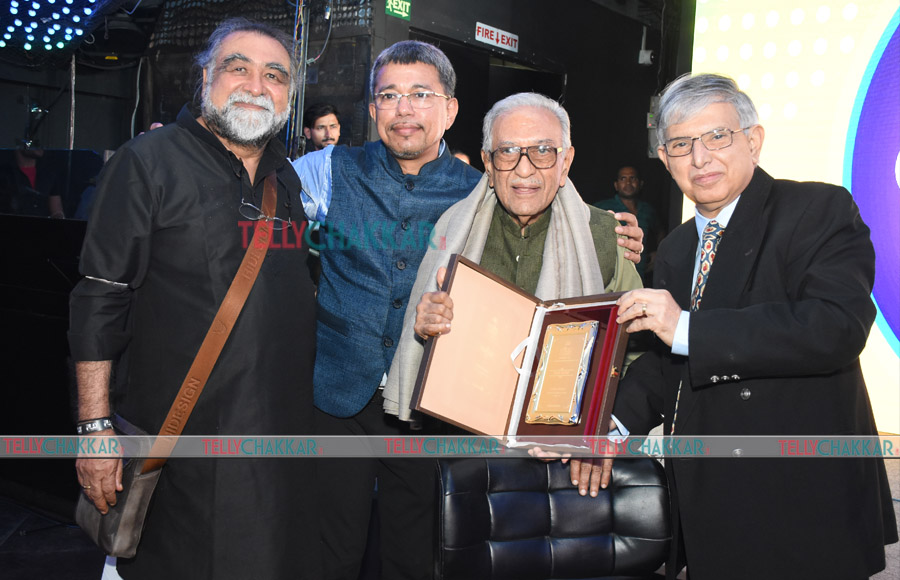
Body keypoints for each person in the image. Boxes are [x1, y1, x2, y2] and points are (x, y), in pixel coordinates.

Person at [292, 42, 646, 580]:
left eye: (420, 94)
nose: (404, 109)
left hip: (428, 407)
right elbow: (257, 204)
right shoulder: (328, 171)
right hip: (339, 391)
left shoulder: (482, 193)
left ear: (451, 110)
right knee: (326, 552)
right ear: (371, 108)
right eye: (389, 95)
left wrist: (615, 241)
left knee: (414, 554)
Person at [588, 73, 897, 580]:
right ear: (665, 160)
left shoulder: (817, 209)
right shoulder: (678, 247)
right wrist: (607, 425)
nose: (701, 158)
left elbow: (835, 326)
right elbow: (668, 364)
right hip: (709, 498)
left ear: (753, 140)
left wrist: (688, 328)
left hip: (801, 498)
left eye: (718, 136)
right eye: (682, 144)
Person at [69, 18, 319, 580]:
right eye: (239, 67)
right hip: (178, 452)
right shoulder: (148, 162)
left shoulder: (289, 182)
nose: (257, 85)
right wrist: (93, 430)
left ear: (289, 96)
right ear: (205, 76)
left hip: (279, 454)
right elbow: (98, 302)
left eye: (275, 75)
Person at [386, 91, 643, 429]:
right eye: (507, 152)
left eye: (542, 151)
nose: (524, 170)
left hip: (564, 444)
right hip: (462, 437)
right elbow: (422, 326)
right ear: (488, 165)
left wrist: (602, 426)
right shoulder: (453, 229)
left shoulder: (605, 236)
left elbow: (638, 349)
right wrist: (427, 326)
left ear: (565, 162)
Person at [594, 165, 663, 284]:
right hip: (611, 278)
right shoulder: (602, 207)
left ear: (640, 184)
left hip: (641, 274)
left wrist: (658, 253)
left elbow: (660, 232)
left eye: (632, 178)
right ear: (616, 185)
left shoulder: (647, 209)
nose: (628, 182)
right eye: (623, 179)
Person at [0, 141, 65, 218]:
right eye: (31, 142)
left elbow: (57, 211)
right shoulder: (4, 174)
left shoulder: (49, 174)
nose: (38, 145)